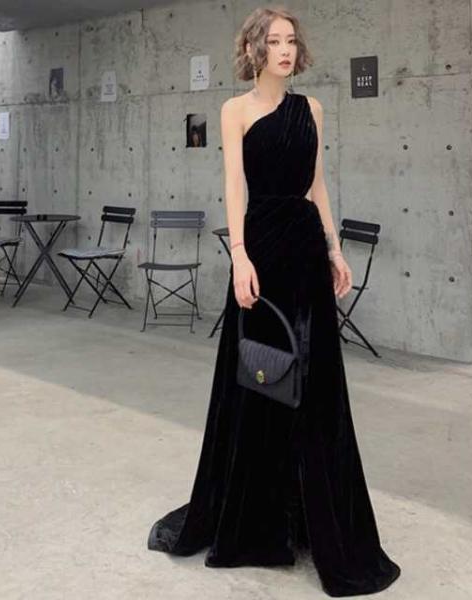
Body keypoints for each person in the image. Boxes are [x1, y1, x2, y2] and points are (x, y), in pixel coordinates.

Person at [148, 5, 401, 597]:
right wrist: (239, 255)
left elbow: (317, 184)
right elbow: (234, 186)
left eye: (291, 41)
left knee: (313, 383)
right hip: (260, 249)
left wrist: (334, 249)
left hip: (305, 251)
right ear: (254, 50)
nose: (285, 50)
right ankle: (256, 519)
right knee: (260, 376)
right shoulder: (234, 110)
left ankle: (313, 515)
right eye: (274, 41)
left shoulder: (312, 109)